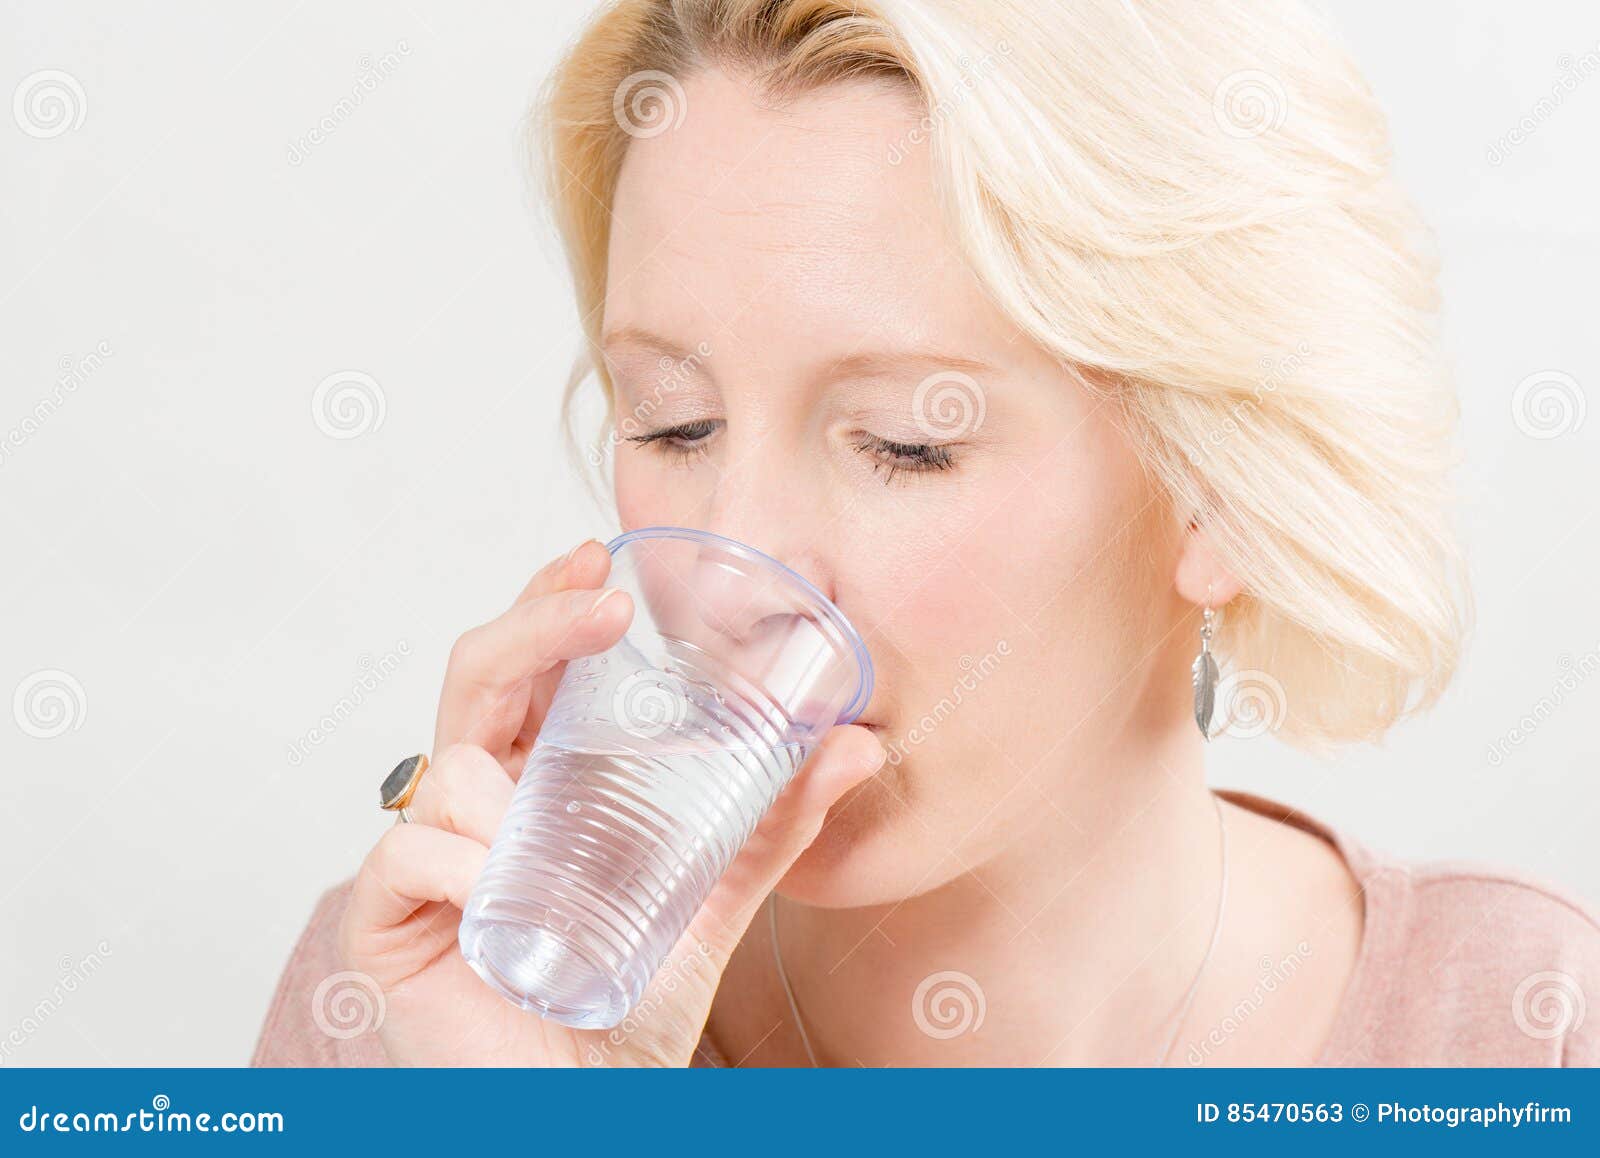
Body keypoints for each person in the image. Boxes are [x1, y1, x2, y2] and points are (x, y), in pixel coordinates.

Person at [253, 0, 1599, 1067]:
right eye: (671, 423)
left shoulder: (1526, 1034)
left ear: (1222, 488)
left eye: (903, 441)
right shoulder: (412, 1004)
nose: (736, 569)